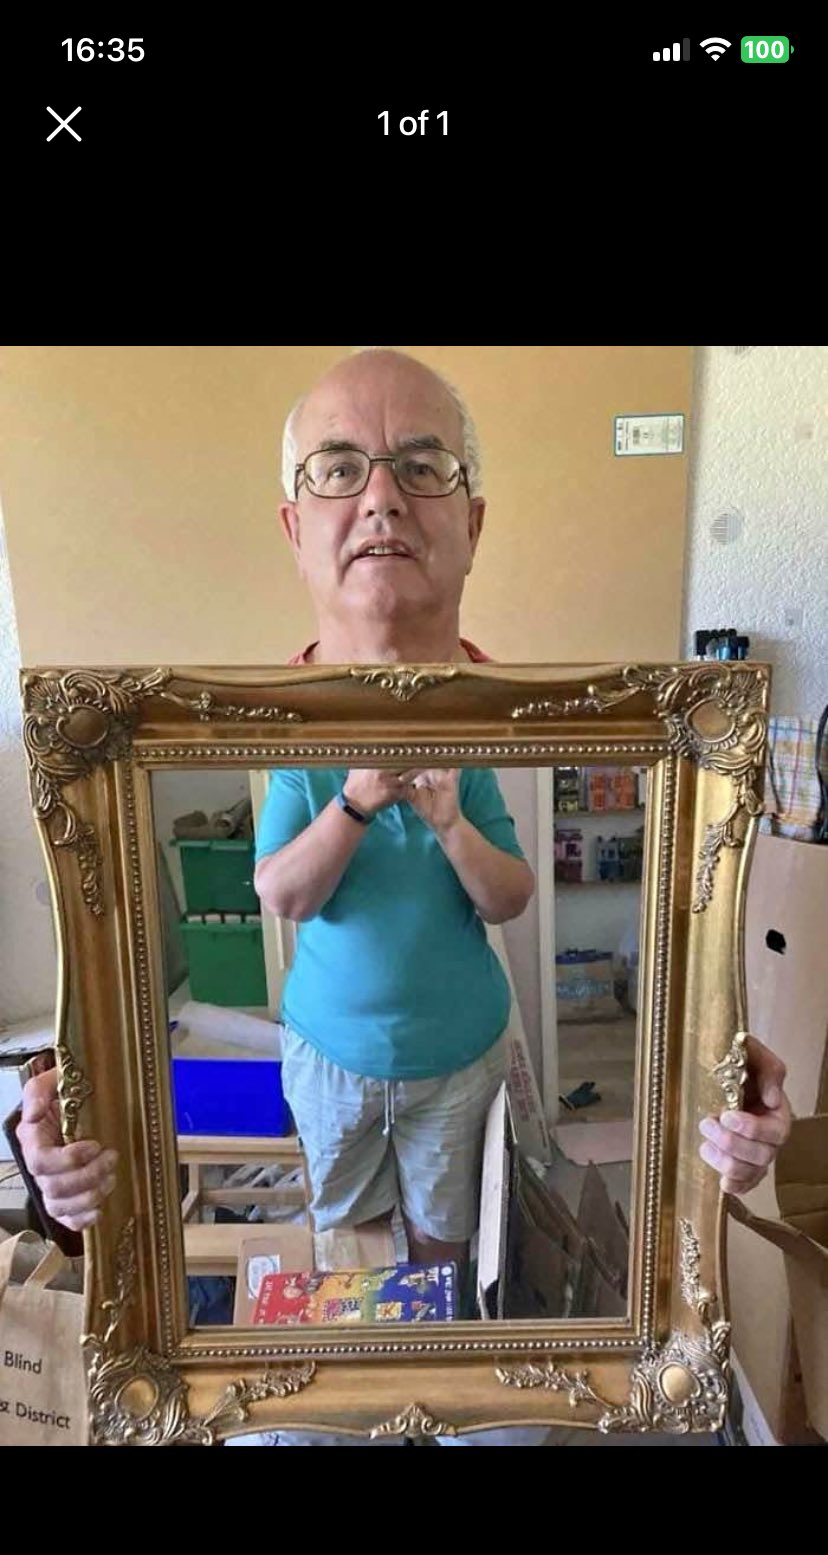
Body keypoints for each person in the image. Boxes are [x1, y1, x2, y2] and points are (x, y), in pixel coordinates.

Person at [16, 349, 793, 1446]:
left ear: (471, 521)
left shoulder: (500, 738)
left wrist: (717, 1085)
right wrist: (356, 796)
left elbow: (510, 897)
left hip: (460, 1058)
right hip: (330, 1057)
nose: (381, 496)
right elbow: (281, 891)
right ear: (295, 525)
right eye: (340, 468)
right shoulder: (278, 740)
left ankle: (445, 1370)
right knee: (349, 1232)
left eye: (421, 466)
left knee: (448, 1235)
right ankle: (369, 1375)